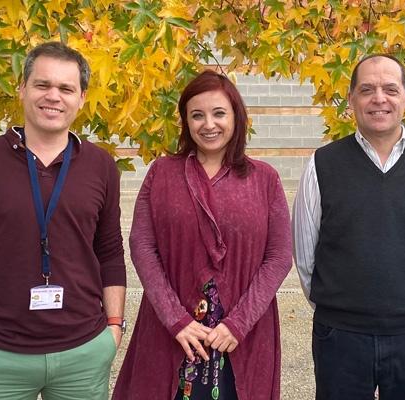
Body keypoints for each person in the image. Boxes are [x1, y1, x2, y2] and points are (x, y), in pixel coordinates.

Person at [0, 42, 127, 400]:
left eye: (66, 88)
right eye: (42, 85)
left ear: (81, 97)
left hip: (83, 353)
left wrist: (114, 329)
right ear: (22, 88)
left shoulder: (101, 166)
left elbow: (110, 250)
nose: (53, 96)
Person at [113, 70, 292, 400]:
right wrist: (175, 320)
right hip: (174, 331)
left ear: (236, 116)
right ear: (186, 122)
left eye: (219, 113)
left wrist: (238, 323)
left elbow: (279, 257)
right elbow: (142, 245)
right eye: (197, 115)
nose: (208, 124)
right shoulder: (163, 173)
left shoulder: (263, 178)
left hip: (242, 333)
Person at [293, 54, 405, 399]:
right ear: (352, 99)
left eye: (390, 88)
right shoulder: (322, 164)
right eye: (367, 89)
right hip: (340, 335)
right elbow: (305, 253)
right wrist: (339, 305)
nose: (379, 98)